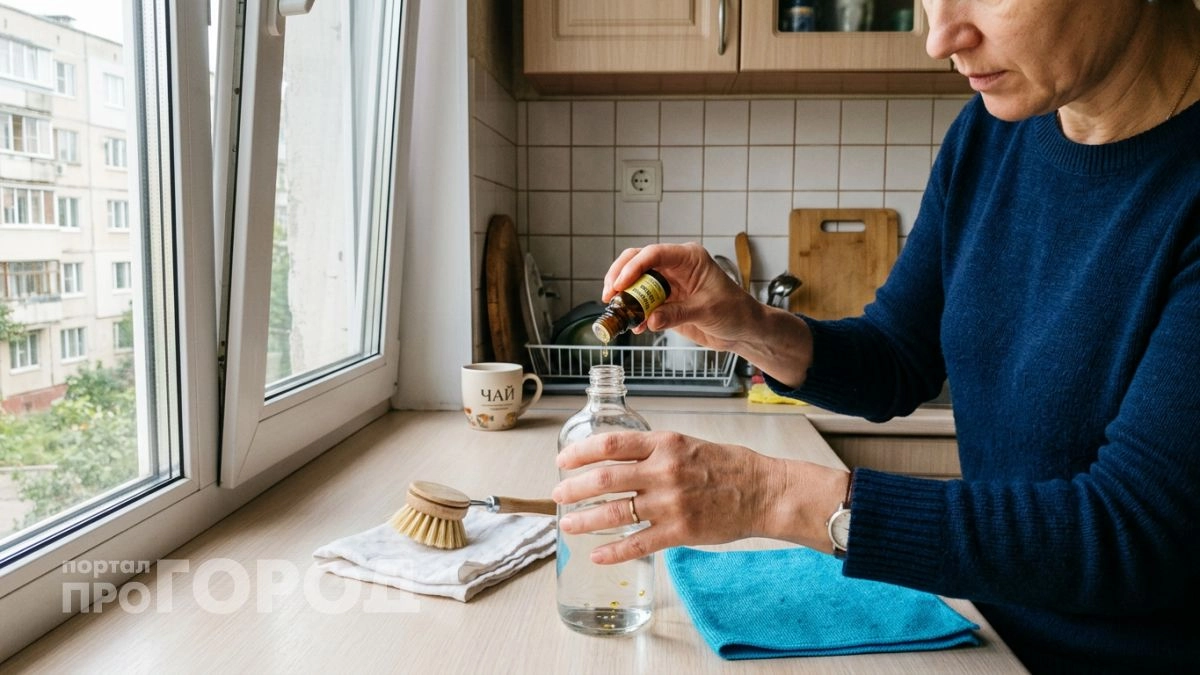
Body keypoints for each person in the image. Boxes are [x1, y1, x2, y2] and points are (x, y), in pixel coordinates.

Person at [550, 0, 1200, 672]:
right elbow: (897, 357)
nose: (941, 37)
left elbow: (1134, 530)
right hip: (990, 640)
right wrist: (749, 325)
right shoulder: (991, 135)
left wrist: (764, 493)